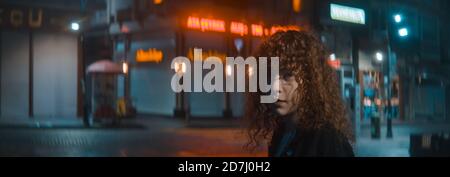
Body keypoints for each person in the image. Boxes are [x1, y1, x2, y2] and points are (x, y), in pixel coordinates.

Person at [245, 31, 354, 157]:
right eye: (269, 76)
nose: (275, 87)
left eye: (287, 76)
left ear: (310, 80)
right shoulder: (281, 132)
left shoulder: (328, 141)